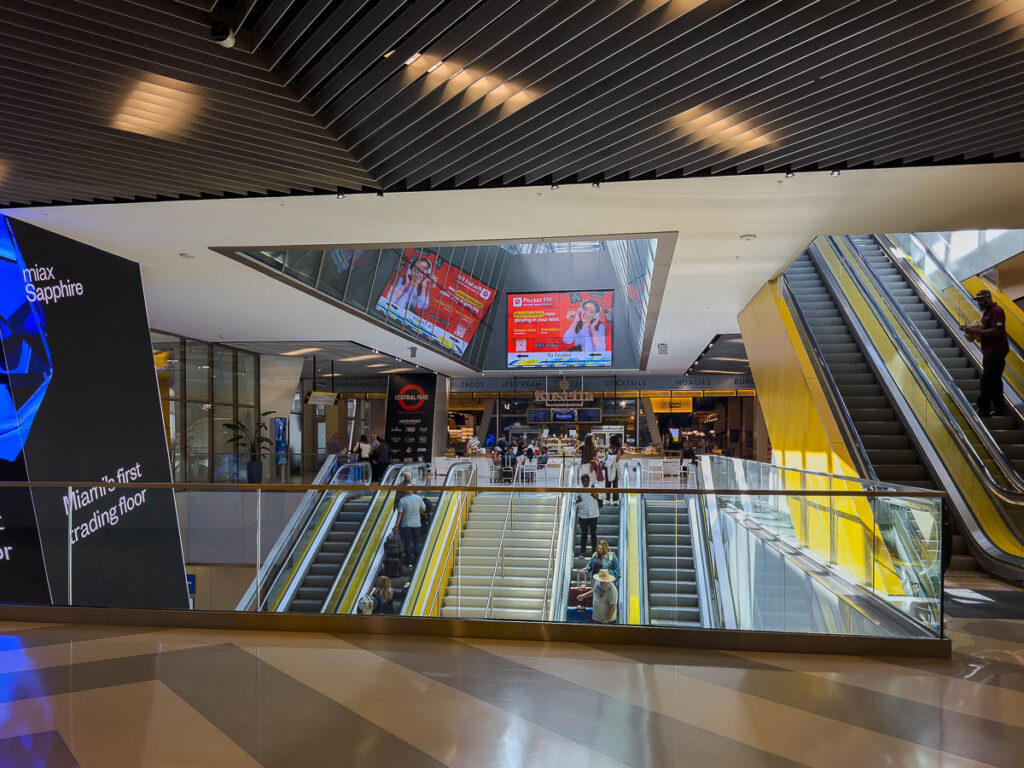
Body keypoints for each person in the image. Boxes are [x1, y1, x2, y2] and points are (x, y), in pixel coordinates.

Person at [961, 289, 1009, 416]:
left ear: (989, 298)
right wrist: (968, 329)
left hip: (997, 350)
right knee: (995, 379)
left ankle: (984, 408)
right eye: (978, 300)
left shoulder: (997, 311)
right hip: (989, 350)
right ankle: (1000, 407)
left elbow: (997, 331)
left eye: (982, 299)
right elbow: (983, 330)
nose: (979, 302)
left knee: (987, 379)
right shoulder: (987, 313)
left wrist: (977, 332)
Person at [395, 483, 426, 565]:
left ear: (405, 490)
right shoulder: (418, 498)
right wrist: (418, 511)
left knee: (408, 543)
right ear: (413, 489)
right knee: (416, 542)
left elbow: (399, 514)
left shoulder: (402, 500)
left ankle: (409, 562)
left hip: (406, 525)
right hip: (416, 524)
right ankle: (417, 561)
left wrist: (396, 526)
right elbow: (424, 509)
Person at [575, 475, 600, 556]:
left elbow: (604, 496)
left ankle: (594, 552)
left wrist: (597, 495)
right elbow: (573, 501)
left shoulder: (595, 486)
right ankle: (582, 552)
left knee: (593, 534)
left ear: (589, 480)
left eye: (586, 481)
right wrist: (577, 500)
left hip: (593, 515)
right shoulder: (579, 489)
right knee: (584, 534)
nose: (584, 483)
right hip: (583, 515)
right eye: (583, 481)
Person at [604, 435, 623, 504]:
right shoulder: (608, 448)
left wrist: (610, 459)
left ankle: (615, 500)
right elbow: (607, 458)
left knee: (615, 484)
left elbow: (617, 459)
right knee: (607, 484)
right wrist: (611, 459)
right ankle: (607, 499)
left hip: (614, 467)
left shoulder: (619, 449)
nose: (608, 441)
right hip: (608, 467)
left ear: (613, 440)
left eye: (609, 439)